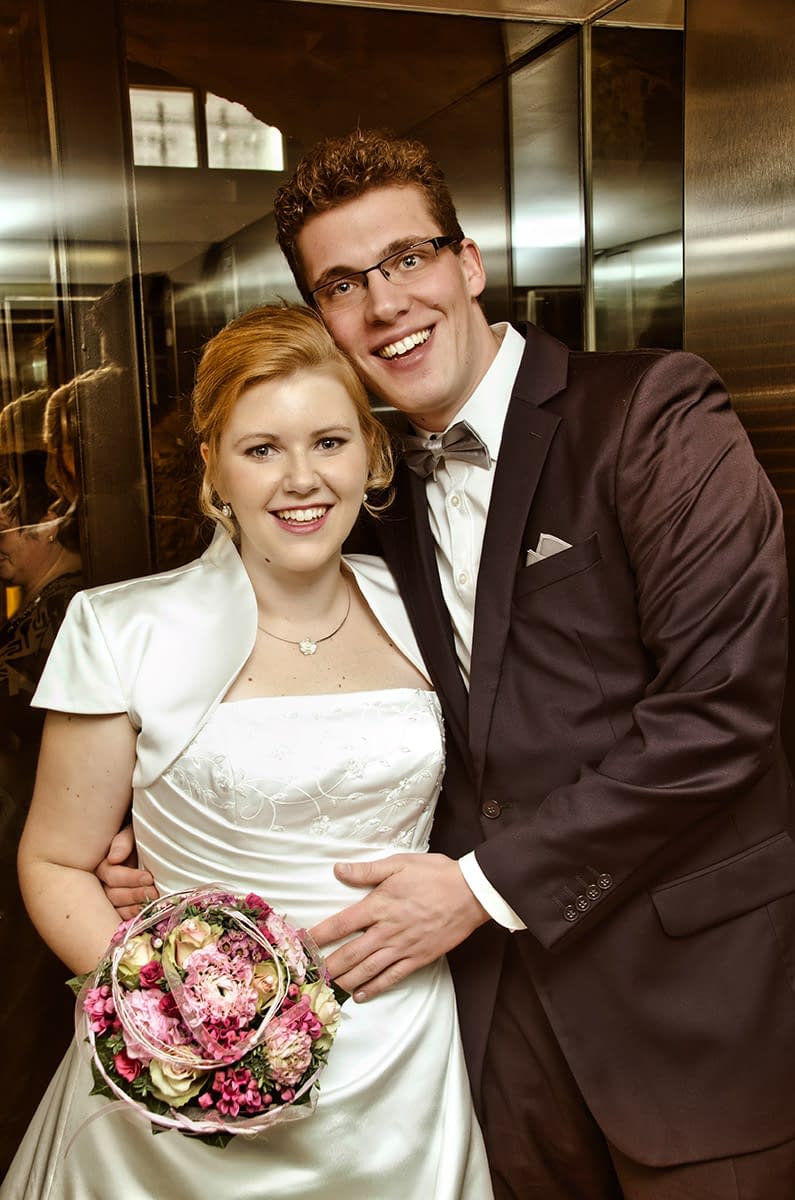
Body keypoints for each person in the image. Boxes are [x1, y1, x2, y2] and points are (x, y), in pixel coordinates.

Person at [101, 129, 795, 1199]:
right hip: (482, 1034)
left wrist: (480, 886)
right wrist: (158, 834)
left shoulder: (650, 413)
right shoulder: (365, 500)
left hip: (687, 1000)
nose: (385, 305)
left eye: (407, 259)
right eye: (343, 284)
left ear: (467, 264)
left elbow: (722, 711)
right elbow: (312, 694)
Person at [2, 304, 492, 1199]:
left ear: (372, 454)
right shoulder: (119, 628)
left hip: (398, 1066)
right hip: (180, 1091)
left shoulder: (439, 609)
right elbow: (57, 859)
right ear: (213, 466)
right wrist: (162, 1020)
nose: (301, 479)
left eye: (329, 442)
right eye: (261, 448)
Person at [0, 436, 83, 1176]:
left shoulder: (64, 610)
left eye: (11, 516)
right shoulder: (38, 606)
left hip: (35, 821)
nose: (1, 533)